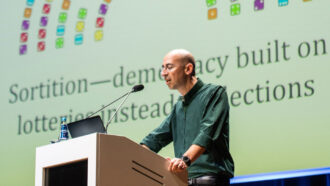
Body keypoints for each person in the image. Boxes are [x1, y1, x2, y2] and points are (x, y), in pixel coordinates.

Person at [140, 49, 234, 186]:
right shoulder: (178, 106)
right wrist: (129, 156)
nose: (163, 73)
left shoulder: (214, 93)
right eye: (162, 68)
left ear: (188, 68)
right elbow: (156, 138)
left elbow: (207, 133)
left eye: (169, 67)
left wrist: (184, 160)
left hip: (209, 179)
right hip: (181, 181)